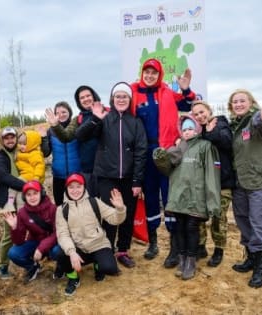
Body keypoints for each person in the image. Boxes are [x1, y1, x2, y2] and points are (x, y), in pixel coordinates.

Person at [130, 58, 196, 266]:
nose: (150, 76)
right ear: (142, 73)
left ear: (159, 75)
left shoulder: (167, 92)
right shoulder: (133, 93)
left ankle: (174, 247)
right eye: (146, 72)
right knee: (150, 197)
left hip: (166, 152)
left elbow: (187, 104)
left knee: (170, 198)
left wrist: (186, 90)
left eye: (154, 73)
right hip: (145, 153)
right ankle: (153, 243)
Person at [75, 82, 147, 268]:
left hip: (129, 178)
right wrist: (95, 119)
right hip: (106, 176)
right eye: (118, 96)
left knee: (127, 214)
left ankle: (123, 250)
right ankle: (107, 247)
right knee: (109, 214)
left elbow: (141, 152)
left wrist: (137, 181)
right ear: (112, 99)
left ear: (129, 100)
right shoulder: (104, 118)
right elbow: (81, 135)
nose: (121, 99)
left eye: (125, 96)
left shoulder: (136, 122)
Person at [228, 89, 262, 288]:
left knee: (258, 223)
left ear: (251, 103)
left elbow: (260, 123)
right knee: (243, 221)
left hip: (261, 180)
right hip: (241, 182)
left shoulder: (254, 121)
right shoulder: (234, 127)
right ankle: (251, 259)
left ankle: (261, 268)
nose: (239, 104)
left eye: (242, 100)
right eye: (235, 102)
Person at [153, 115, 221, 280]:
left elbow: (212, 175)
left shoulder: (206, 146)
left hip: (196, 197)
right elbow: (167, 170)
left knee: (192, 228)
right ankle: (182, 260)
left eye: (190, 128)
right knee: (179, 229)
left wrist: (213, 202)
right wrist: (160, 156)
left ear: (197, 129)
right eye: (184, 130)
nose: (187, 132)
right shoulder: (178, 147)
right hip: (178, 197)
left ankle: (191, 262)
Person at [55, 173, 126, 296]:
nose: (75, 190)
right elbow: (63, 234)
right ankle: (73, 278)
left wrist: (120, 209)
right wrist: (71, 252)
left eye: (79, 186)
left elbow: (115, 219)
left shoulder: (95, 202)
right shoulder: (61, 210)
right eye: (71, 187)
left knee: (110, 268)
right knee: (60, 253)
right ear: (66, 189)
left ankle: (98, 265)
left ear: (84, 187)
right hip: (79, 248)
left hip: (98, 244)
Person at [191, 100, 236, 267]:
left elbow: (227, 142)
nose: (200, 116)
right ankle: (201, 246)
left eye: (202, 112)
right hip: (203, 183)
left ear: (209, 110)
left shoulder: (221, 124)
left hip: (222, 183)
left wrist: (211, 133)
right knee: (200, 216)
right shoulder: (199, 132)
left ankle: (219, 250)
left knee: (218, 218)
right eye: (196, 114)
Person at [45, 85, 104, 196]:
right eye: (82, 98)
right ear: (78, 101)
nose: (86, 99)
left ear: (94, 96)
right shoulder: (79, 119)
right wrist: (55, 125)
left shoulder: (106, 113)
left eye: (88, 96)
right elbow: (66, 137)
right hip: (86, 172)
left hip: (106, 170)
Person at [4, 180, 60, 283]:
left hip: (52, 242)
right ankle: (33, 266)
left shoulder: (53, 209)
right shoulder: (22, 213)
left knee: (58, 251)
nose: (32, 197)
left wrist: (41, 248)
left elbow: (57, 233)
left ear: (41, 193)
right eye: (28, 195)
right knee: (13, 253)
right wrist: (14, 227)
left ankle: (61, 266)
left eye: (35, 193)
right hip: (36, 241)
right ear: (24, 197)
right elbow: (19, 241)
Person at [0, 127, 26, 278]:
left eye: (12, 137)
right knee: (9, 233)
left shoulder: (19, 153)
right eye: (6, 138)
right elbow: (4, 177)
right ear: (1, 140)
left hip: (22, 198)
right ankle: (2, 266)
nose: (10, 140)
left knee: (26, 228)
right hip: (8, 201)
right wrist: (26, 186)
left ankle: (25, 260)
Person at [40, 101, 81, 205]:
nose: (61, 115)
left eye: (64, 112)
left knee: (78, 204)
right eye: (57, 113)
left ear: (70, 113)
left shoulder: (77, 128)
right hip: (59, 175)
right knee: (59, 204)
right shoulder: (51, 131)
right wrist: (44, 138)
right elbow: (46, 153)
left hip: (76, 174)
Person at [2, 129, 46, 212]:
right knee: (20, 196)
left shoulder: (34, 154)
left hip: (30, 176)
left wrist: (36, 177)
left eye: (25, 144)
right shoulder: (21, 153)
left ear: (32, 144)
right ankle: (21, 213)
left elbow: (40, 166)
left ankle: (10, 204)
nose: (22, 146)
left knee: (13, 186)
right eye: (20, 143)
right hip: (26, 175)